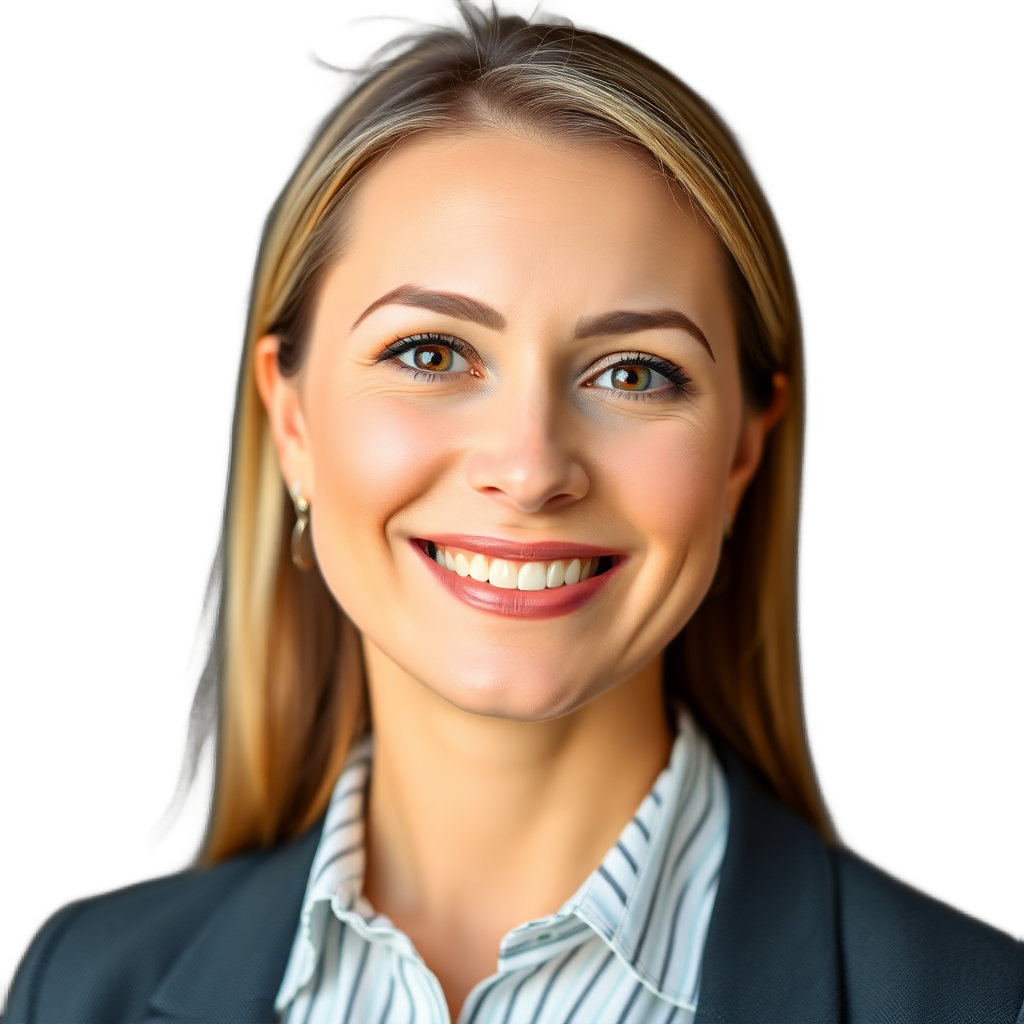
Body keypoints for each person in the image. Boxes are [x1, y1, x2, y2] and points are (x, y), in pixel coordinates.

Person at [4, 13, 1022, 1024]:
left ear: (741, 452)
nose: (531, 468)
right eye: (431, 353)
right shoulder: (81, 991)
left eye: (633, 372)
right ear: (294, 419)